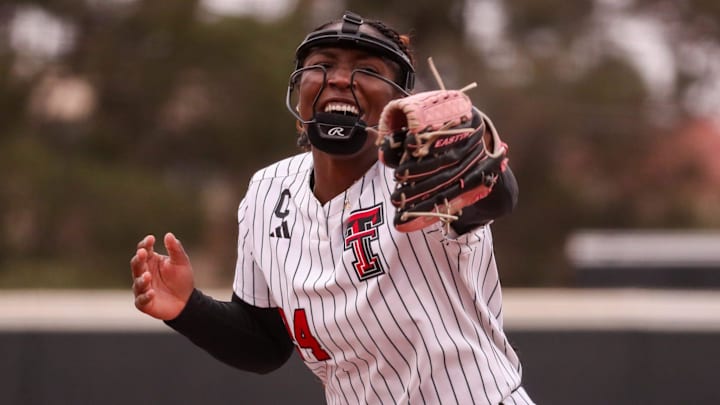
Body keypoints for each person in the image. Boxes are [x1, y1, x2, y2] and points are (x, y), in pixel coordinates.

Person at [130, 11, 533, 405]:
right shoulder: (267, 191)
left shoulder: (422, 173)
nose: (340, 79)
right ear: (298, 90)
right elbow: (265, 345)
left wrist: (480, 165)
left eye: (368, 69)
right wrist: (187, 308)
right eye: (322, 66)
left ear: (399, 103)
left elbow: (495, 198)